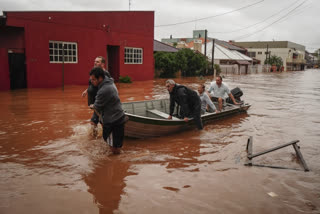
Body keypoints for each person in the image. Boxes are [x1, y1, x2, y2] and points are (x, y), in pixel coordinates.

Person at [89, 67, 126, 154]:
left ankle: (117, 164)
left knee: (114, 149)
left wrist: (92, 106)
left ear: (100, 78)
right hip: (118, 116)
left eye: (94, 79)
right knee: (115, 146)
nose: (92, 81)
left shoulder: (104, 90)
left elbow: (96, 107)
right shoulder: (109, 81)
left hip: (113, 121)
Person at [82, 56, 111, 133]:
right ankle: (103, 136)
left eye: (97, 62)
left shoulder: (105, 74)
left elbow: (107, 86)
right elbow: (93, 84)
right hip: (95, 102)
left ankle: (103, 137)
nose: (95, 63)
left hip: (100, 102)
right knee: (99, 120)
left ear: (103, 64)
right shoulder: (95, 72)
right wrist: (87, 90)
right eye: (95, 61)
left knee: (94, 122)